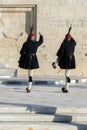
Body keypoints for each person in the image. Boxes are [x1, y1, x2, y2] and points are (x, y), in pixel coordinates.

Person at [18, 27, 43, 93]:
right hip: (34, 59)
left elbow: (21, 52)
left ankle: (29, 88)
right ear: (33, 38)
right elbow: (41, 41)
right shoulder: (35, 44)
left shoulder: (25, 44)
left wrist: (24, 57)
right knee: (31, 74)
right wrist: (41, 35)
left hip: (27, 59)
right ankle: (29, 87)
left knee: (29, 73)